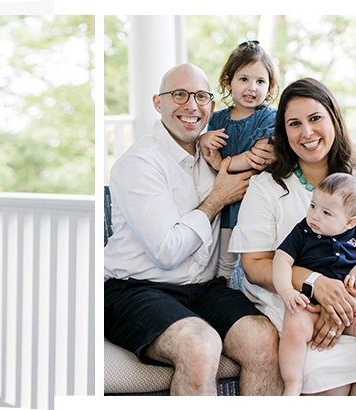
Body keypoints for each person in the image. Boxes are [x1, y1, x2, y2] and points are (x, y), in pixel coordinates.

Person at [104, 63, 281, 395]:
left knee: (264, 338)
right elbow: (168, 252)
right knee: (199, 346)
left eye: (201, 96)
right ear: (158, 103)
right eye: (179, 95)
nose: (191, 105)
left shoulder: (216, 153)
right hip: (132, 289)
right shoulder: (139, 163)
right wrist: (217, 198)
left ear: (212, 107)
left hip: (203, 289)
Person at [232, 77, 356, 395]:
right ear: (284, 132)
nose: (306, 133)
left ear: (333, 119)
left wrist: (349, 305)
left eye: (315, 118)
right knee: (327, 388)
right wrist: (314, 284)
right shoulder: (267, 186)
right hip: (297, 307)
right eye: (294, 123)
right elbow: (254, 265)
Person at [270, 173, 356, 396]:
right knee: (293, 327)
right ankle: (292, 384)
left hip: (350, 305)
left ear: (350, 221)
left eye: (326, 212)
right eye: (313, 206)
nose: (314, 216)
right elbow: (281, 260)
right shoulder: (303, 231)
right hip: (310, 305)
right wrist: (287, 290)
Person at [199, 40, 280, 278]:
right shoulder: (216, 119)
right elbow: (199, 145)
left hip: (253, 196)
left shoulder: (268, 117)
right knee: (223, 260)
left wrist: (221, 163)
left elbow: (256, 158)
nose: (252, 87)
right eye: (244, 79)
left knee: (253, 257)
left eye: (260, 81)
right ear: (228, 82)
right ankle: (222, 292)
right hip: (223, 198)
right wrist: (204, 141)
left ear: (270, 86)